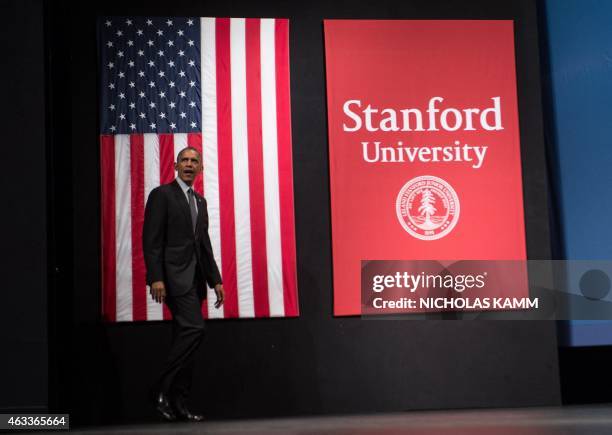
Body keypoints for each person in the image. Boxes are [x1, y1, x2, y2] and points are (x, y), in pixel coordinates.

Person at [143, 147, 224, 422]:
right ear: (176, 165)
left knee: (186, 339)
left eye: (194, 161)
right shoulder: (161, 195)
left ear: (200, 169)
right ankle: (157, 388)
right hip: (173, 277)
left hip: (196, 279)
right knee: (194, 329)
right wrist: (156, 277)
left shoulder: (200, 202)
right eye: (185, 160)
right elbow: (151, 241)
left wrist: (216, 280)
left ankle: (178, 402)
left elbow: (204, 244)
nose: (189, 165)